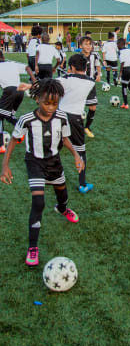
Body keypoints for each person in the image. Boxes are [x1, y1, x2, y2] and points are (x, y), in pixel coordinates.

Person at [0, 79, 84, 266]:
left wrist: (76, 156)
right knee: (38, 202)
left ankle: (62, 209)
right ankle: (33, 247)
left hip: (54, 162)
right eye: (46, 103)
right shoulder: (26, 119)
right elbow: (13, 140)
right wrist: (5, 166)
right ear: (37, 99)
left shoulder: (62, 117)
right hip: (34, 162)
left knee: (62, 193)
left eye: (54, 103)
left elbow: (66, 138)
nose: (50, 107)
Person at [57, 54, 96, 194]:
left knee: (55, 146)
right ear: (85, 67)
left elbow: (48, 87)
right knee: (80, 151)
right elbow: (93, 106)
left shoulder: (64, 79)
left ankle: (44, 174)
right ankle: (82, 184)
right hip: (75, 119)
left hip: (59, 116)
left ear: (72, 67)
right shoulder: (91, 82)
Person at [0, 50, 36, 153]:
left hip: (9, 91)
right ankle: (21, 134)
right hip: (20, 91)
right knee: (9, 115)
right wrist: (34, 81)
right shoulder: (12, 63)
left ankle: (1, 145)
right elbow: (27, 67)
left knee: (0, 116)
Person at [80, 36, 101, 138]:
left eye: (90, 44)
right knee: (77, 107)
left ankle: (87, 127)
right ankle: (74, 128)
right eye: (86, 44)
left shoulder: (95, 56)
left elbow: (98, 66)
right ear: (81, 46)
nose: (88, 46)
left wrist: (98, 74)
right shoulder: (78, 57)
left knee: (93, 107)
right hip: (80, 85)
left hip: (91, 84)